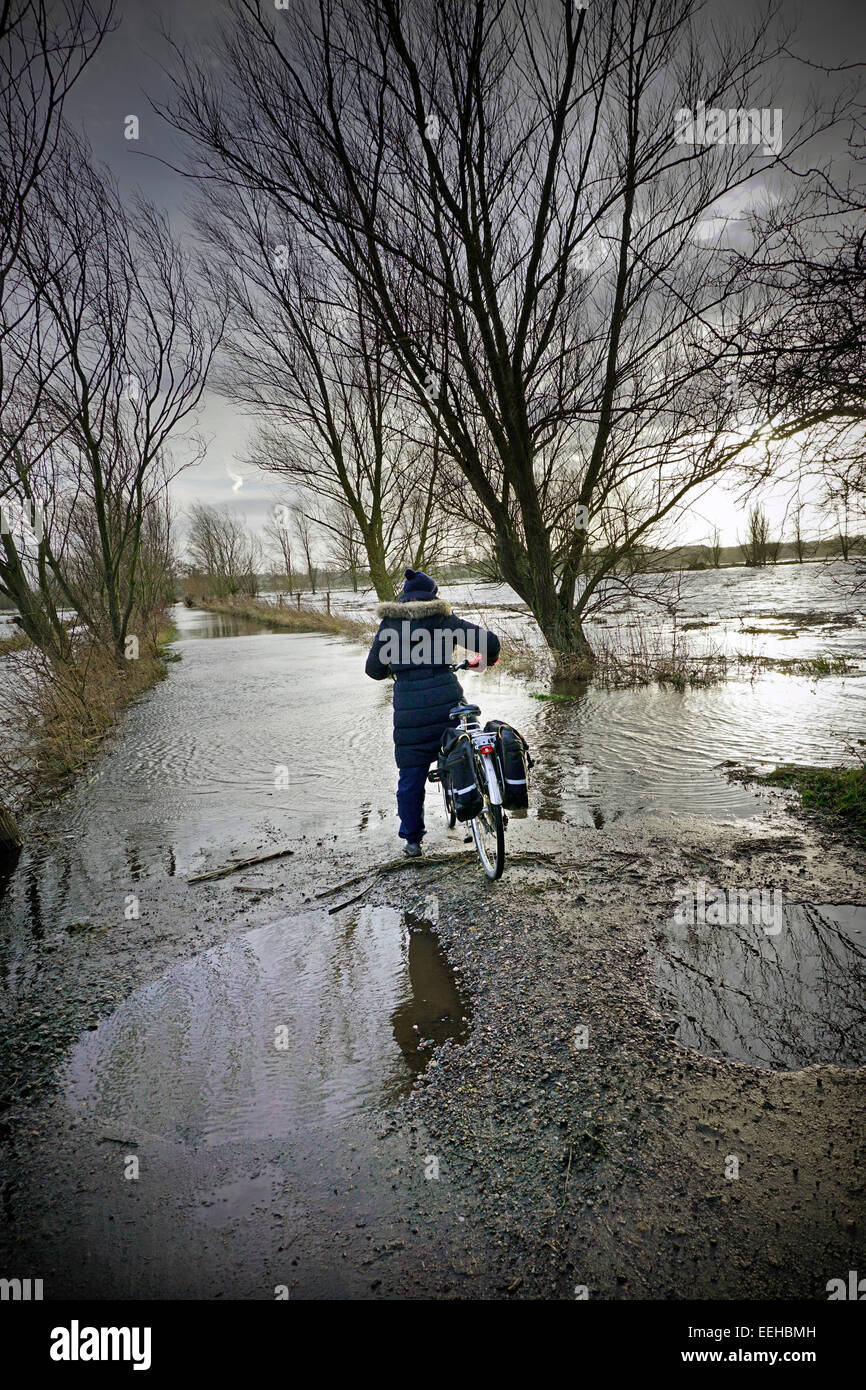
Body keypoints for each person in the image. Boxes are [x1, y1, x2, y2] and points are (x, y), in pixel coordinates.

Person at [365, 569, 501, 856]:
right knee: (463, 751)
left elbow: (373, 670)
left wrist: (396, 666)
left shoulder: (390, 624)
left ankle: (413, 841)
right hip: (447, 703)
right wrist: (483, 657)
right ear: (433, 595)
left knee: (411, 776)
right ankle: (480, 810)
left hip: (409, 714)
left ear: (404, 597)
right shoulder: (442, 619)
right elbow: (489, 644)